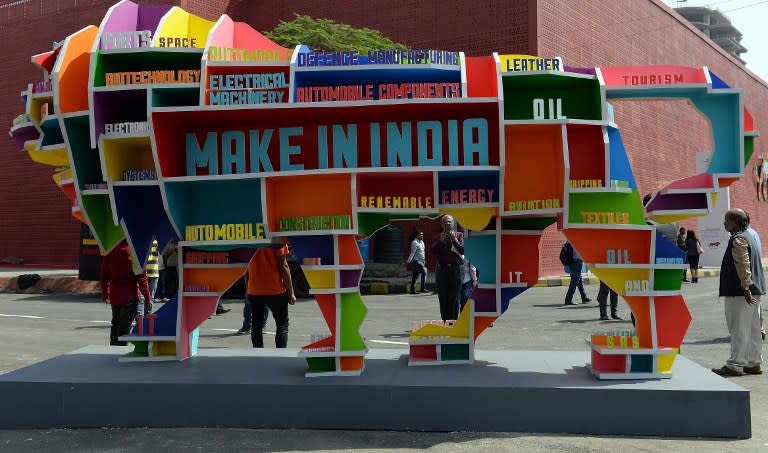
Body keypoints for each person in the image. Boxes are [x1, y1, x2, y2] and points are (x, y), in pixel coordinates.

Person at [712, 209, 765, 377]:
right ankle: (754, 362)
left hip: (740, 292)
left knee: (738, 328)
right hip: (753, 290)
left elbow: (743, 264)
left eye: (727, 220)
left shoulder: (739, 239)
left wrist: (746, 287)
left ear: (736, 221)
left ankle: (735, 365)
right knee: (753, 328)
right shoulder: (750, 236)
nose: (724, 223)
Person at [244, 238, 296, 348]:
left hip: (255, 289)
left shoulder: (249, 240)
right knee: (282, 324)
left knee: (256, 325)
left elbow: (245, 268)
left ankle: (258, 353)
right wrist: (291, 291)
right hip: (275, 289)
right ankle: (280, 353)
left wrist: (247, 289)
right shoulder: (278, 240)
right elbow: (283, 266)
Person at [100, 240, 152, 346]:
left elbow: (104, 274)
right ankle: (119, 352)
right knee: (124, 328)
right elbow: (142, 278)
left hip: (115, 295)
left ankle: (113, 350)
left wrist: (105, 292)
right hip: (130, 295)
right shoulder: (135, 252)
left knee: (115, 324)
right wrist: (147, 297)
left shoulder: (110, 250)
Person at [432, 215, 465, 321]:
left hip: (456, 269)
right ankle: (445, 320)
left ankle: (453, 321)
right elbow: (433, 251)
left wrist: (454, 239)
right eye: (445, 223)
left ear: (453, 224)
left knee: (455, 297)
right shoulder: (438, 237)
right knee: (443, 296)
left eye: (449, 222)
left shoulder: (459, 235)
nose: (447, 224)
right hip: (442, 269)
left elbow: (463, 250)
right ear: (442, 224)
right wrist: (441, 240)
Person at [745, 212, 765, 340]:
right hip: (757, 271)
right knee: (757, 304)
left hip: (750, 273)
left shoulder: (745, 236)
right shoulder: (754, 233)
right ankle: (760, 328)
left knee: (752, 304)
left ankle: (757, 330)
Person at [564, 241, 591, 305]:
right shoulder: (577, 240)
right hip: (577, 262)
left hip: (571, 262)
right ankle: (568, 299)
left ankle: (584, 297)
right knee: (574, 281)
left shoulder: (568, 240)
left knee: (579, 281)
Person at [406, 229, 428, 294]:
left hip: (421, 261)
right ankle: (422, 288)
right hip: (416, 261)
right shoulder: (414, 243)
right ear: (416, 236)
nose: (422, 236)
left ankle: (412, 290)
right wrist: (409, 261)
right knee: (424, 272)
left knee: (415, 275)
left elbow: (422, 252)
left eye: (422, 234)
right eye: (420, 235)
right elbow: (412, 253)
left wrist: (424, 259)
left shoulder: (422, 242)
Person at [146, 239, 160, 308]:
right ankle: (144, 314)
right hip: (145, 273)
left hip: (153, 273)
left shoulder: (156, 242)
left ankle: (148, 314)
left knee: (150, 296)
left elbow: (156, 254)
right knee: (145, 296)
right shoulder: (144, 241)